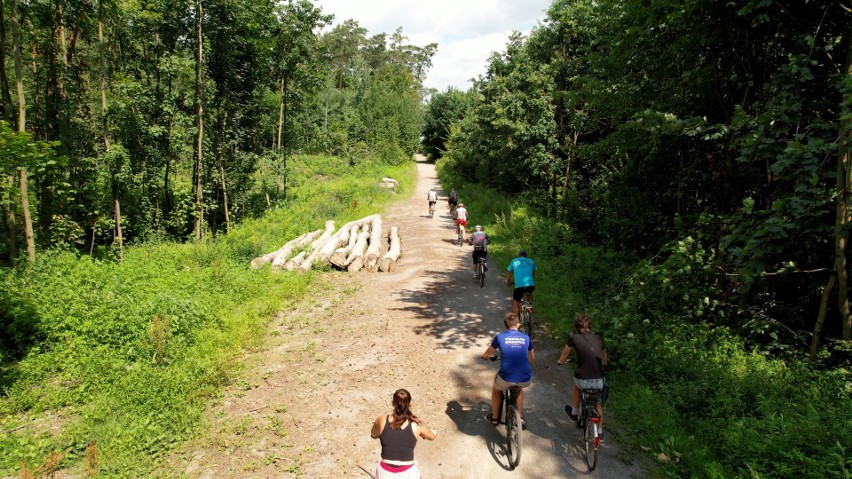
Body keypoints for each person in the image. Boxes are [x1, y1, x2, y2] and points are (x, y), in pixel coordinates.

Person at [557, 313, 607, 441]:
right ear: (590, 326)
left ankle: (574, 411)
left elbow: (564, 356)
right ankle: (600, 432)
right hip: (599, 380)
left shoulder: (574, 339)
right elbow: (604, 359)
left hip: (583, 379)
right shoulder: (599, 338)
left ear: (577, 327)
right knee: (597, 403)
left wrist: (560, 362)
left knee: (577, 384)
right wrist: (603, 365)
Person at [480, 312, 535, 429]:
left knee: (496, 388)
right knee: (519, 389)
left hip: (506, 378)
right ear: (518, 324)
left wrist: (485, 357)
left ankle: (495, 418)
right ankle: (520, 417)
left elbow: (487, 353)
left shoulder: (500, 337)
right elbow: (532, 359)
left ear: (505, 325)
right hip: (525, 377)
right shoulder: (526, 338)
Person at [370, 388, 437, 478]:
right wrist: (434, 432)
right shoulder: (416, 424)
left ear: (393, 403)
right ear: (409, 404)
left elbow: (373, 434)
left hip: (384, 472)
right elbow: (431, 437)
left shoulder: (381, 420)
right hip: (408, 472)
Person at [505, 250, 537, 316]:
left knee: (516, 300)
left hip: (519, 286)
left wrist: (507, 280)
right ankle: (529, 306)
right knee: (530, 293)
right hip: (530, 285)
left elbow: (509, 273)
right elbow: (532, 274)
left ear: (518, 255)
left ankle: (515, 317)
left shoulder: (514, 261)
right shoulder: (531, 261)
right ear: (526, 256)